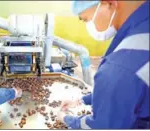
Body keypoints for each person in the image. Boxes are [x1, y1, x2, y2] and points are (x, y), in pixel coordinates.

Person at [57, 0, 149, 129]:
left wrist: (66, 119)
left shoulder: (120, 66)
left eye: (86, 19)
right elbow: (128, 91)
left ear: (109, 3)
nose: (88, 25)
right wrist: (82, 100)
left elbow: (101, 126)